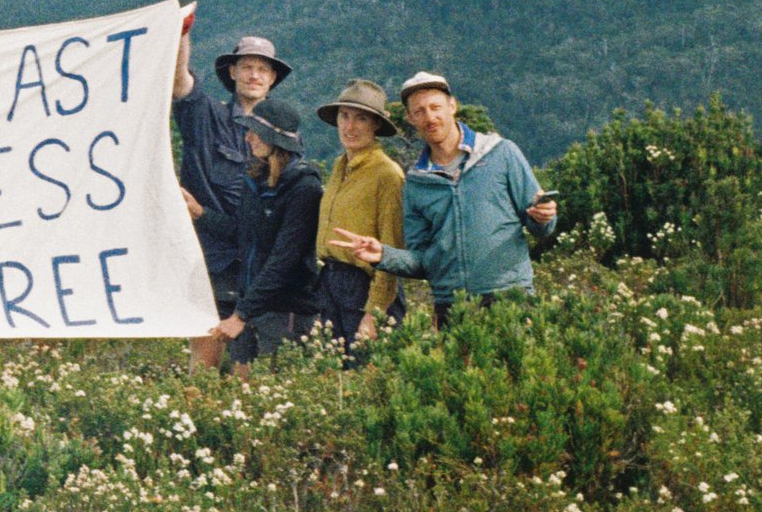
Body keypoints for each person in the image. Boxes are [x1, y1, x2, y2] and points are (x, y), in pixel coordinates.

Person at [333, 71, 558, 325]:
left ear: (452, 106)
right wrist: (383, 255)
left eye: (435, 107)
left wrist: (543, 217)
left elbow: (543, 229)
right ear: (410, 118)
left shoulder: (502, 154)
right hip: (451, 306)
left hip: (510, 296)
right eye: (419, 112)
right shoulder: (416, 183)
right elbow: (422, 260)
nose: (430, 118)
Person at [168, 0, 292, 371]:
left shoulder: (286, 139)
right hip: (210, 262)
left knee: (250, 374)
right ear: (233, 73)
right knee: (203, 365)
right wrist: (179, 24)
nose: (255, 74)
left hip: (260, 269)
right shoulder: (206, 117)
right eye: (248, 67)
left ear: (272, 80)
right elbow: (179, 81)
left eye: (263, 70)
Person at [200, 97, 321, 372]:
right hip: (252, 307)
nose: (248, 137)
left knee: (274, 393)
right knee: (243, 394)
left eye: (255, 131)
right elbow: (243, 234)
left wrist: (241, 314)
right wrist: (200, 214)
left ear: (274, 139)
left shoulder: (305, 189)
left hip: (285, 311)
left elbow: (284, 260)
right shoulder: (255, 180)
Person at [312, 78, 405, 358]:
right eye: (344, 116)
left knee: (366, 376)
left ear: (375, 124)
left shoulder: (387, 175)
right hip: (330, 281)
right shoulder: (341, 165)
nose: (349, 127)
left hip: (365, 289)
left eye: (360, 118)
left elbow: (392, 250)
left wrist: (373, 314)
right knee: (334, 380)